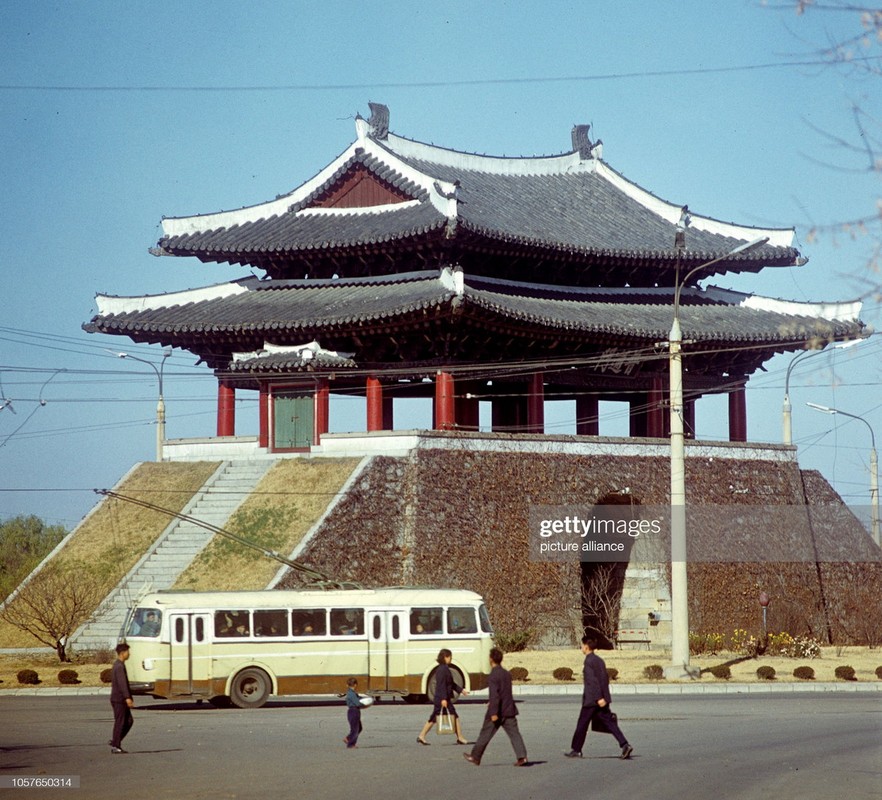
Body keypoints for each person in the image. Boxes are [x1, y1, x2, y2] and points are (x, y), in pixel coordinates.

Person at [565, 636, 633, 760]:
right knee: (609, 722)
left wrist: (598, 697)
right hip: (600, 699)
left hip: (592, 700)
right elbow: (604, 679)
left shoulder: (589, 661)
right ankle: (624, 744)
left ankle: (576, 749)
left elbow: (593, 682)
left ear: (586, 646)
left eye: (582, 645)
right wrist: (605, 697)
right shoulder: (599, 660)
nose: (581, 648)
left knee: (582, 724)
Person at [463, 648, 528, 767]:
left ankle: (475, 756)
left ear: (491, 659)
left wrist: (493, 712)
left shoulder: (493, 675)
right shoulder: (506, 673)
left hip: (497, 711)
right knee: (514, 734)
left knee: (485, 733)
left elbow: (495, 695)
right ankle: (522, 757)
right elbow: (505, 692)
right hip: (509, 709)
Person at [417, 648, 469, 745]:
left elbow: (451, 684)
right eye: (450, 657)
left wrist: (461, 690)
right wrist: (444, 699)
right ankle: (460, 737)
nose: (451, 659)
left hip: (441, 698)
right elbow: (441, 685)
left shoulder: (443, 668)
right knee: (454, 716)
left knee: (434, 718)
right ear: (445, 657)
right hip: (442, 699)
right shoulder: (442, 669)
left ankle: (421, 736)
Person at [109, 643, 134, 754]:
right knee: (120, 722)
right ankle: (116, 746)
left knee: (128, 721)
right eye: (128, 651)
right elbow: (122, 683)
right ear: (123, 653)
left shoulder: (119, 665)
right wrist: (127, 697)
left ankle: (115, 740)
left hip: (120, 698)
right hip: (119, 699)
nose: (129, 654)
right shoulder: (119, 666)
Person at [343, 677, 362, 749]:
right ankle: (350, 743)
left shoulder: (351, 693)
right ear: (355, 685)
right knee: (355, 729)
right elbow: (357, 703)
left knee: (358, 728)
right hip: (354, 711)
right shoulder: (352, 694)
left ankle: (348, 738)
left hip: (352, 711)